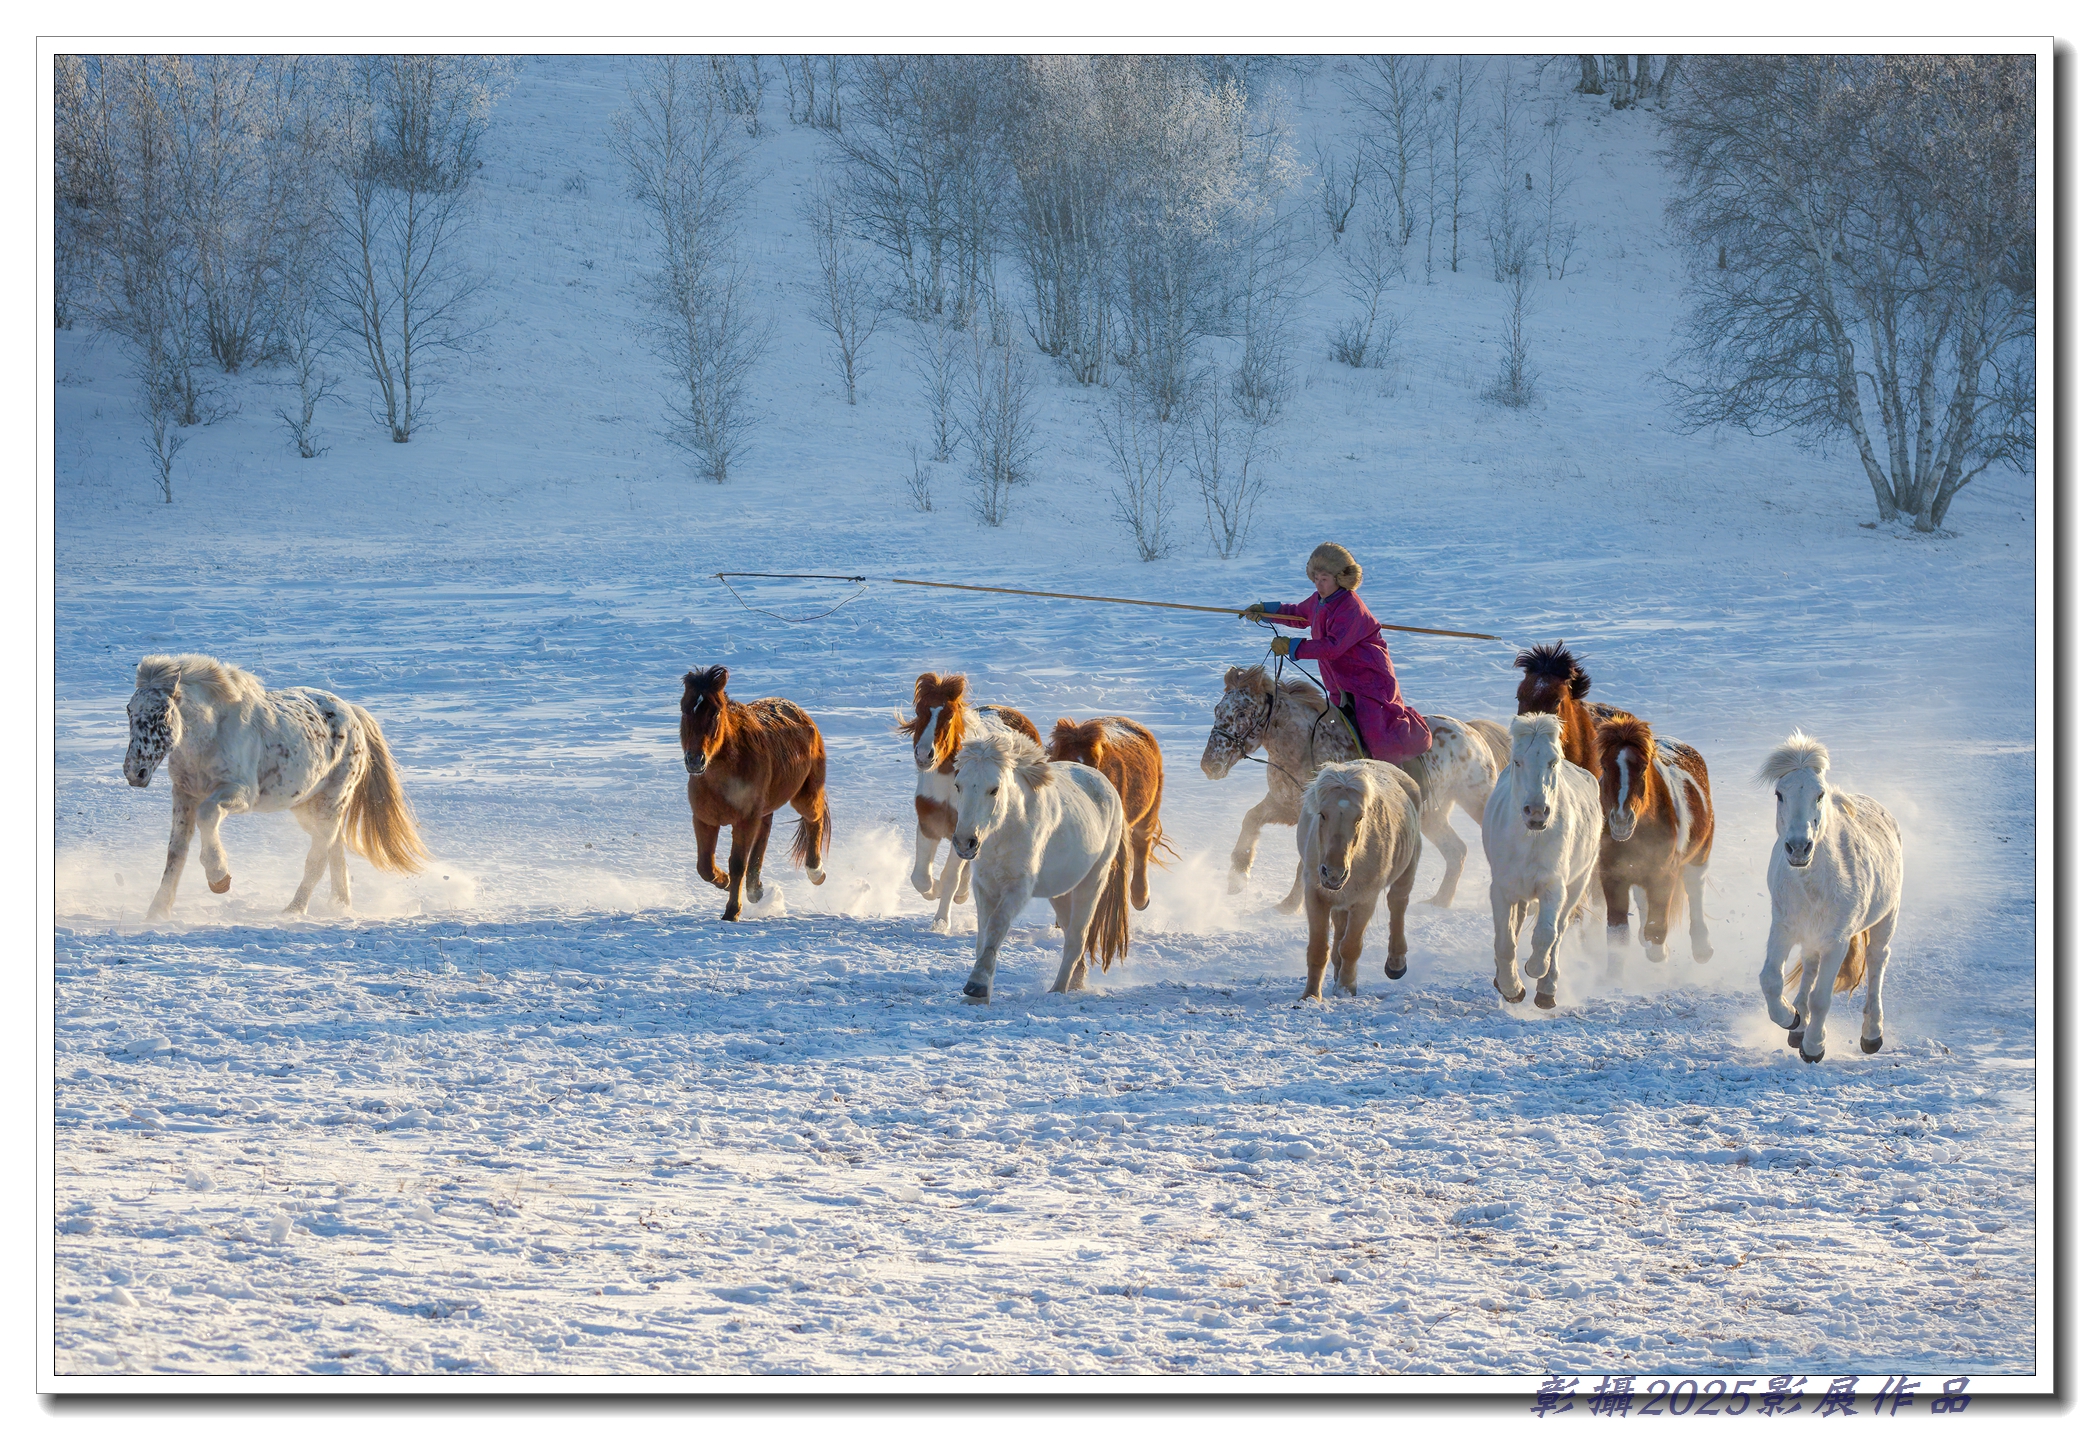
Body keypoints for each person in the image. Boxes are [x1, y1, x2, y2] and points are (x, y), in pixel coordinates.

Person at [1240, 542, 1433, 764]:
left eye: (1324, 579)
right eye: (1315, 579)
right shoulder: (1319, 601)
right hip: (1341, 683)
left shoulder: (1350, 607)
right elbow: (1297, 614)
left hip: (1368, 680)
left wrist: (1292, 646)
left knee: (1376, 735)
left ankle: (1397, 769)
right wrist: (1266, 611)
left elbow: (1332, 647)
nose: (1319, 585)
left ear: (1340, 578)